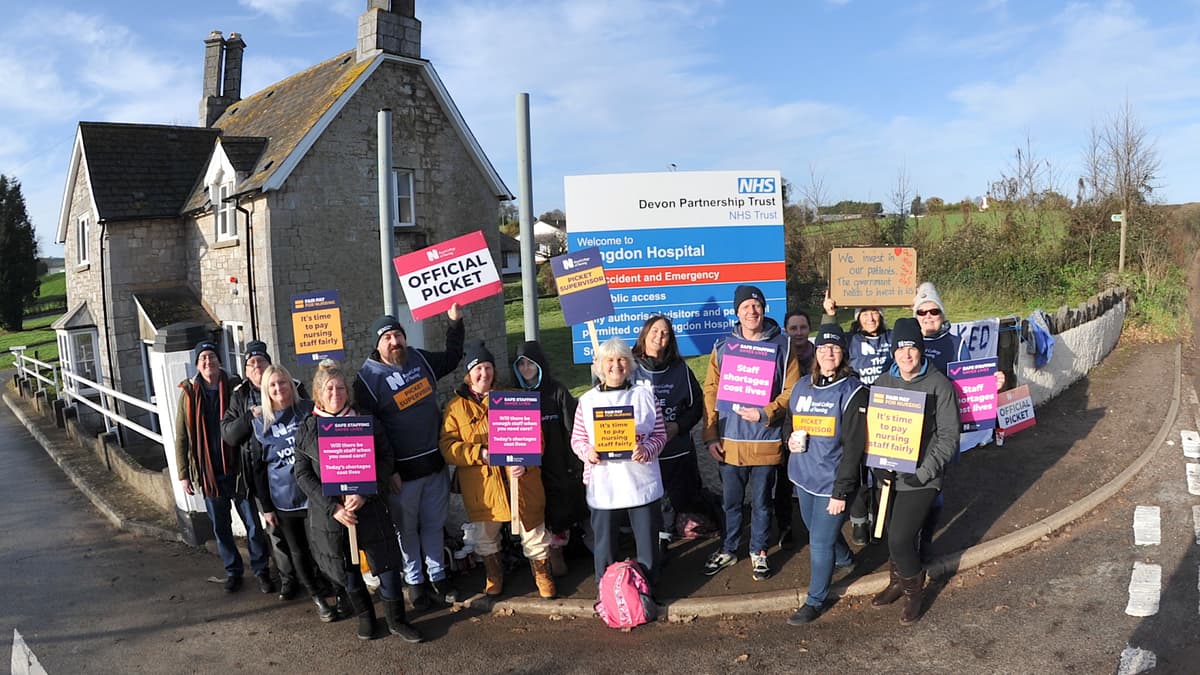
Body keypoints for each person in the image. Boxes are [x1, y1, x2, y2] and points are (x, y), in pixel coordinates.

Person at [294, 360, 422, 642]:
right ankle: (366, 617)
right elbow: (302, 474)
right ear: (318, 392)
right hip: (333, 516)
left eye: (340, 387)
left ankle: (396, 620)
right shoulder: (307, 429)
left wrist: (365, 492)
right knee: (348, 570)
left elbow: (386, 458)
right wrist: (333, 508)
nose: (335, 393)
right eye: (329, 388)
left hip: (370, 506)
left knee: (387, 566)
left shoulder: (365, 420)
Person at [354, 307, 464, 611]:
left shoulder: (419, 358)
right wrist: (386, 470)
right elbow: (369, 430)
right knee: (407, 530)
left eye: (398, 335)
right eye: (387, 337)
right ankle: (415, 582)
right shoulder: (367, 379)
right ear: (377, 345)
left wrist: (454, 321)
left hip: (433, 463)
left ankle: (438, 575)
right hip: (400, 473)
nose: (394, 341)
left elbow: (454, 357)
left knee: (432, 524)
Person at [442, 342, 556, 600]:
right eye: (478, 368)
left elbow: (537, 438)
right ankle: (494, 574)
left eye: (489, 367)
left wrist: (525, 461)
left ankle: (542, 574)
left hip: (521, 480)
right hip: (483, 486)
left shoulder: (513, 397)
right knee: (485, 535)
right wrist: (478, 453)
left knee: (534, 532)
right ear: (469, 374)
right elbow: (448, 447)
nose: (485, 373)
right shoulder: (454, 408)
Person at [702, 285, 800, 582]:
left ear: (764, 309)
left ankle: (759, 551)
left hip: (765, 441)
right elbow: (711, 390)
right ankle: (729, 548)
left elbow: (793, 388)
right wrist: (710, 436)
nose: (752, 311)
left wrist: (767, 412)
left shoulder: (783, 345)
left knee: (761, 502)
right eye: (745, 307)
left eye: (756, 305)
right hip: (730, 442)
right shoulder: (722, 346)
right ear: (737, 312)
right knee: (731, 502)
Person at [868, 318, 959, 625]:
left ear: (921, 350)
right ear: (893, 352)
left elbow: (949, 437)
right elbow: (875, 431)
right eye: (900, 348)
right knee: (892, 537)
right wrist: (878, 467)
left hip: (922, 477)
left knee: (900, 537)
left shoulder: (939, 385)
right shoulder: (883, 383)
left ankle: (914, 590)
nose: (906, 355)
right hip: (890, 475)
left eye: (912, 348)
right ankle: (897, 581)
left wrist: (924, 472)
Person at [784, 324, 869, 625]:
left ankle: (815, 600)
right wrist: (789, 440)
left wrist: (841, 492)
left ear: (843, 352)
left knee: (819, 542)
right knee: (815, 530)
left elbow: (855, 447)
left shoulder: (853, 391)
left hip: (832, 482)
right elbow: (789, 422)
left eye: (834, 347)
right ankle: (846, 559)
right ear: (816, 352)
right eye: (823, 348)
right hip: (803, 477)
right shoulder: (803, 385)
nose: (828, 352)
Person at [174, 340, 272, 594]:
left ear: (220, 361)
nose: (209, 362)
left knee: (252, 525)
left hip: (238, 469)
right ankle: (233, 571)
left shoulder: (234, 387)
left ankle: (262, 570)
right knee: (221, 528)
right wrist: (183, 474)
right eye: (203, 358)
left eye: (212, 357)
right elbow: (181, 437)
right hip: (209, 474)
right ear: (197, 364)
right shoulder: (188, 394)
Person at [570, 337, 667, 588]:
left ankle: (647, 588)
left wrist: (646, 449)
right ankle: (607, 592)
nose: (616, 365)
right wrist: (587, 452)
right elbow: (577, 438)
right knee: (604, 543)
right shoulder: (587, 401)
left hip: (639, 479)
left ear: (630, 363)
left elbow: (660, 434)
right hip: (604, 482)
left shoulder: (645, 396)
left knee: (646, 541)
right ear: (600, 365)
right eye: (609, 360)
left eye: (622, 358)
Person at [221, 340, 310, 600]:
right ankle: (288, 579)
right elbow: (229, 435)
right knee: (276, 531)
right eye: (251, 363)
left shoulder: (292, 386)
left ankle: (315, 577)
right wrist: (250, 416)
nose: (257, 366)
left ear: (270, 365)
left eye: (261, 361)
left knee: (308, 533)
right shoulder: (240, 396)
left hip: (301, 474)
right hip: (262, 476)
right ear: (246, 370)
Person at [245, 364, 333, 621]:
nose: (278, 388)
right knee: (298, 552)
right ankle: (317, 597)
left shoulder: (308, 410)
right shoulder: (260, 425)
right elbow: (258, 469)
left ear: (291, 385)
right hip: (284, 501)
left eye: (282, 382)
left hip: (315, 495)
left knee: (323, 546)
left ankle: (333, 588)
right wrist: (267, 508)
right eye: (272, 385)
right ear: (266, 390)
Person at [631, 315, 709, 556]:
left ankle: (665, 536)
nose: (659, 337)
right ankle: (647, 539)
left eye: (664, 333)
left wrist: (678, 426)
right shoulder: (629, 366)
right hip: (640, 452)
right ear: (645, 334)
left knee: (675, 497)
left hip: (675, 448)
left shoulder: (680, 369)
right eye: (654, 331)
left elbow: (697, 406)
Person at [821, 291, 894, 545]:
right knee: (857, 468)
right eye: (865, 312)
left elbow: (915, 342)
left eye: (875, 312)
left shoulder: (892, 336)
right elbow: (828, 341)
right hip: (856, 410)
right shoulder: (850, 340)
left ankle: (880, 518)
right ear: (858, 317)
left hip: (886, 413)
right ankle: (859, 520)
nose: (871, 317)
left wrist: (914, 304)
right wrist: (830, 314)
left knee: (881, 469)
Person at [512, 340, 587, 577]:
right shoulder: (514, 395)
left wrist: (575, 462)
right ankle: (539, 555)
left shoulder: (557, 391)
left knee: (560, 506)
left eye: (530, 363)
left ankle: (559, 549)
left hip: (557, 460)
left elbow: (572, 427)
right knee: (535, 509)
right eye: (521, 364)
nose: (526, 369)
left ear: (540, 365)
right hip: (531, 466)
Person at [775, 309, 815, 550]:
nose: (798, 333)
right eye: (793, 328)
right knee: (784, 477)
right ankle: (785, 525)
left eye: (802, 328)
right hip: (786, 425)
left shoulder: (820, 354)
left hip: (816, 426)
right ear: (786, 330)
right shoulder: (780, 356)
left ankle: (814, 526)